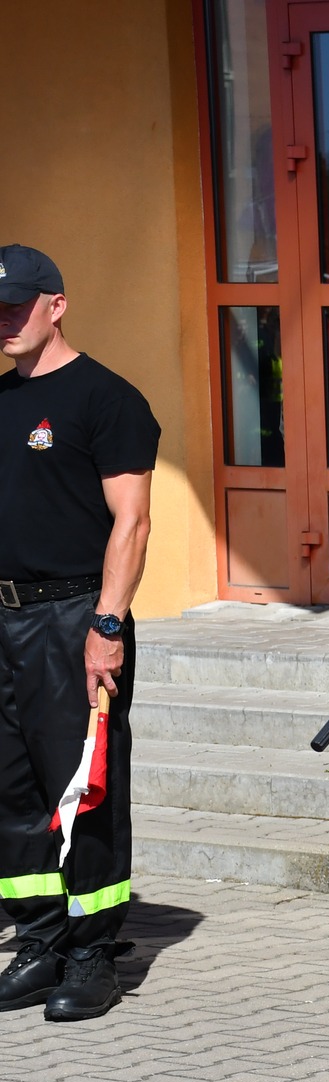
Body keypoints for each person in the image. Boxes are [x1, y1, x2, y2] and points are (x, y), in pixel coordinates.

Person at [0, 244, 158, 1022]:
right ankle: (39, 939)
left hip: (73, 619)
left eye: (17, 306)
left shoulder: (107, 398)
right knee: (14, 790)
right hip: (5, 617)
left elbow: (132, 522)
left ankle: (93, 954)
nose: (5, 320)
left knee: (84, 790)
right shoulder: (2, 400)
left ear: (56, 305)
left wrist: (106, 623)